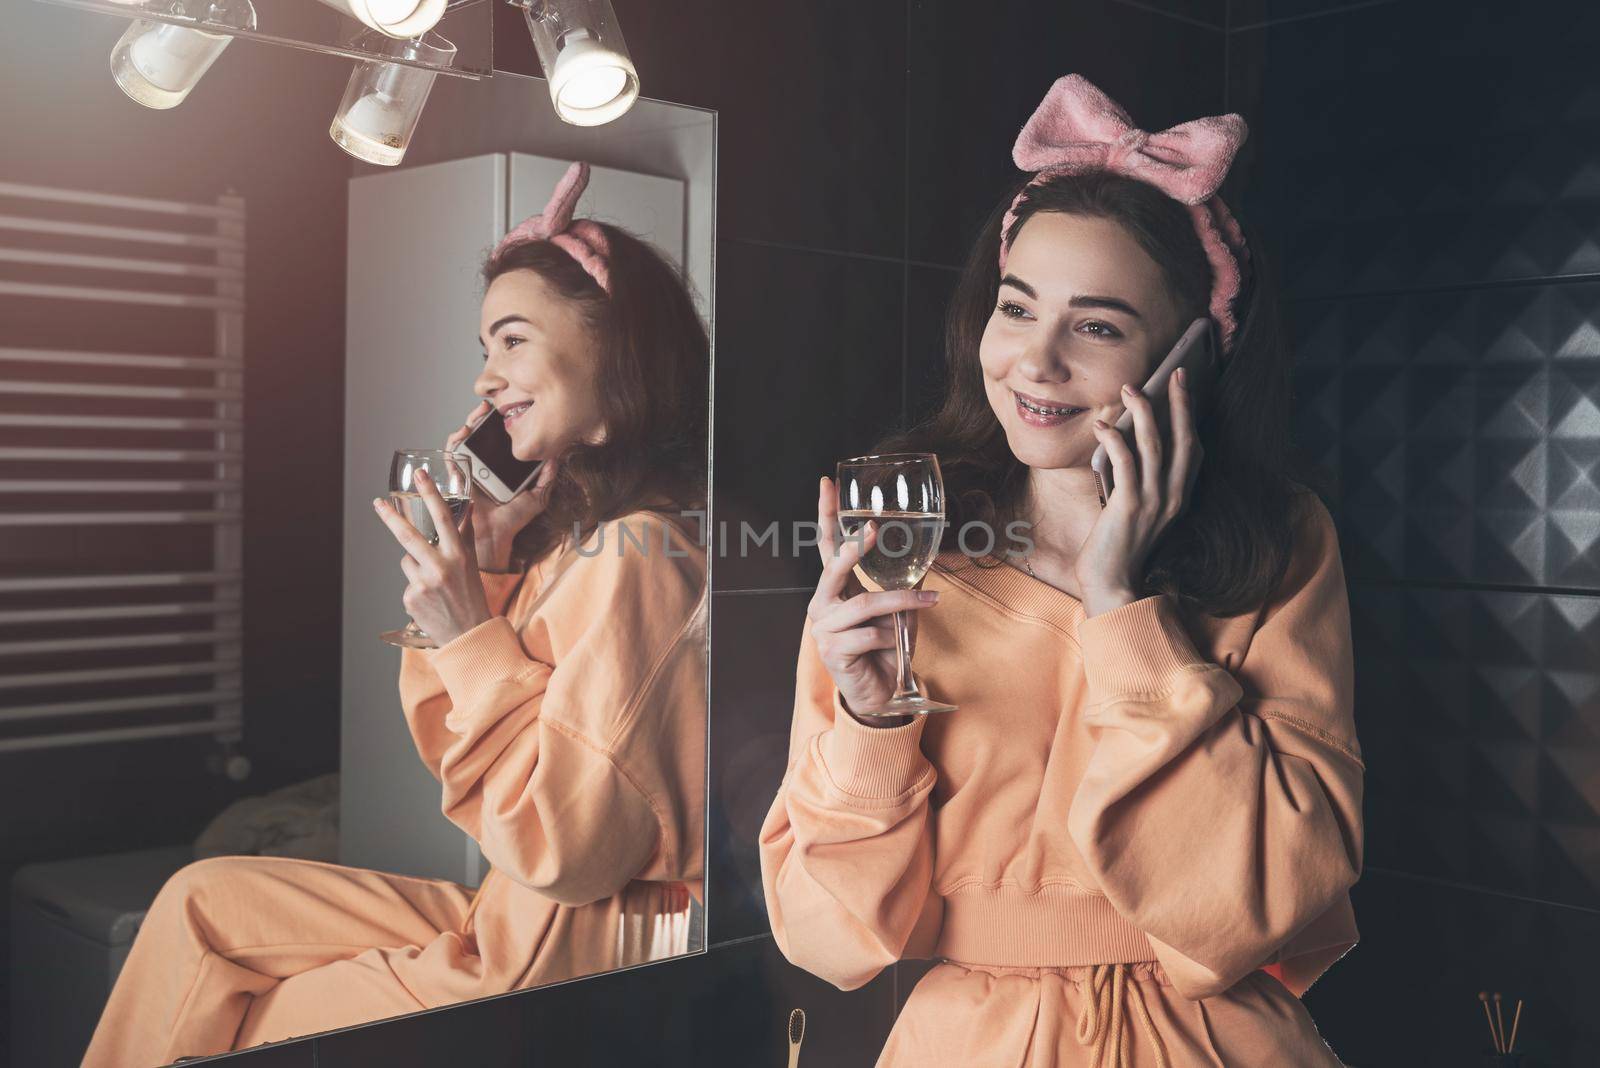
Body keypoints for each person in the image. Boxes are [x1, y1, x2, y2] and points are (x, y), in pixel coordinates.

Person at [758, 75, 1363, 1067]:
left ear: (1189, 360)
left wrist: (1120, 607)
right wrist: (867, 728)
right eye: (1015, 308)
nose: (1033, 363)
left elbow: (1263, 899)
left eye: (1097, 326)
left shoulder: (1281, 545)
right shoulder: (902, 544)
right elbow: (826, 940)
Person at [82, 162, 709, 1067]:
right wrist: (485, 575)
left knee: (252, 1024)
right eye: (484, 349)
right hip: (514, 915)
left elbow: (567, 849)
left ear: (617, 359)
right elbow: (464, 766)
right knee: (201, 903)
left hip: (566, 953)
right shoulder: (583, 544)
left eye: (512, 341)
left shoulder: (637, 560)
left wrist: (470, 636)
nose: (487, 379)